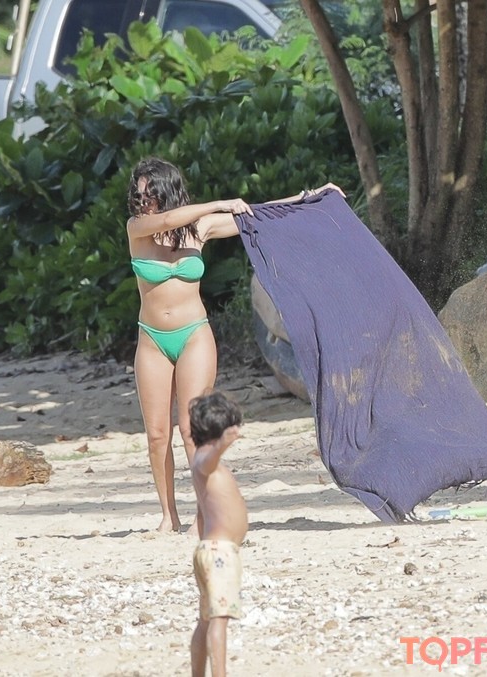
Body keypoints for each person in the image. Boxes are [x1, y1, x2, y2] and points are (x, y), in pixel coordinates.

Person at [126, 157, 334, 533]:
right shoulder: (138, 228)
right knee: (157, 435)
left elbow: (256, 215)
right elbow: (168, 220)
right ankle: (168, 516)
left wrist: (309, 197)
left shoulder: (198, 229)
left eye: (150, 194)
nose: (144, 201)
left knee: (192, 428)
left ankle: (203, 513)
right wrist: (219, 203)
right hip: (152, 341)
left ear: (167, 191)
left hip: (193, 335)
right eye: (139, 195)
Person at [187, 390, 246, 677]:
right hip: (219, 553)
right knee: (219, 621)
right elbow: (207, 461)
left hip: (209, 551)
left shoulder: (207, 463)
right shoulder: (205, 460)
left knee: (206, 620)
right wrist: (221, 446)